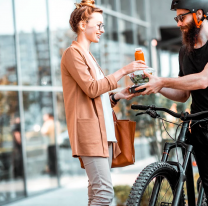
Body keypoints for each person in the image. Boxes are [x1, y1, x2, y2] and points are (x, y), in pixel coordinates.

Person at [61, 0, 147, 205]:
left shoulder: (88, 55)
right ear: (83, 24)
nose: (102, 29)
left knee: (96, 193)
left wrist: (117, 96)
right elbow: (92, 89)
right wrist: (124, 70)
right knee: (104, 194)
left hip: (104, 134)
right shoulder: (73, 54)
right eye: (98, 25)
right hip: (90, 135)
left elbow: (96, 99)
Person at [136, 0, 208, 200]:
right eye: (176, 18)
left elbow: (203, 80)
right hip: (200, 127)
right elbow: (183, 93)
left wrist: (162, 81)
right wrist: (156, 86)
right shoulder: (184, 51)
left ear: (199, 14)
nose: (178, 23)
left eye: (182, 17)